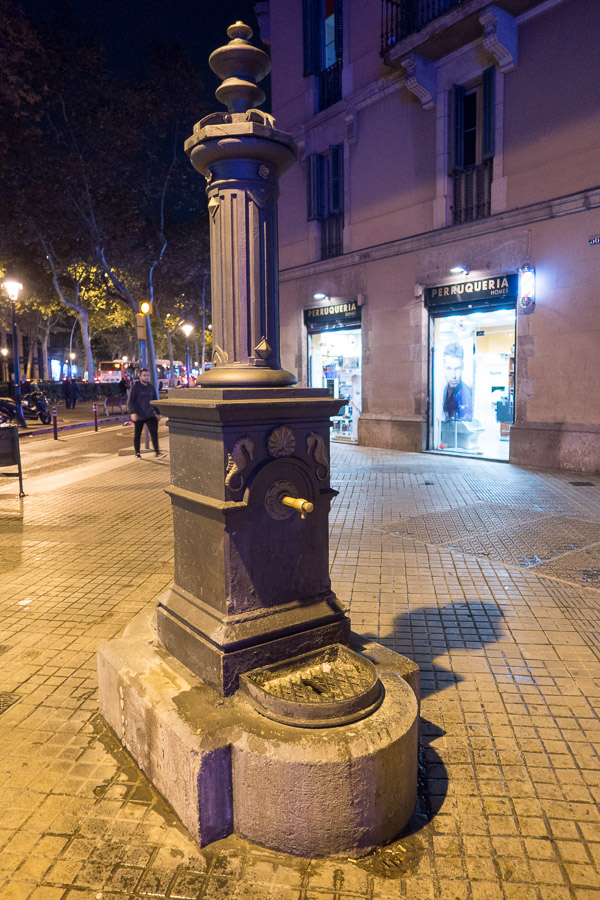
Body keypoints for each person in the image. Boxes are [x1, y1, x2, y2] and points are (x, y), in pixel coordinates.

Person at [127, 368, 162, 458]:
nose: (146, 377)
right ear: (140, 376)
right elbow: (131, 401)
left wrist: (158, 413)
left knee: (154, 433)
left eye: (148, 375)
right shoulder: (135, 388)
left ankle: (157, 452)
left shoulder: (151, 387)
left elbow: (155, 400)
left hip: (150, 414)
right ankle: (137, 452)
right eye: (144, 375)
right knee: (137, 434)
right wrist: (133, 412)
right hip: (139, 415)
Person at [442, 342, 472, 421]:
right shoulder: (441, 392)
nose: (453, 375)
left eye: (457, 368)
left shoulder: (467, 394)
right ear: (443, 368)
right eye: (449, 368)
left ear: (463, 367)